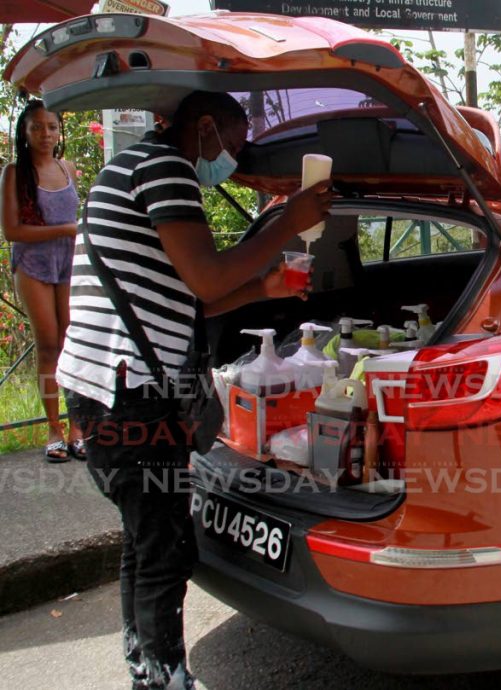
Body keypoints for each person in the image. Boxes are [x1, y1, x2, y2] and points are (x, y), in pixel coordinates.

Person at [59, 91, 331, 690]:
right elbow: (206, 275)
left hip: (98, 384)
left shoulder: (129, 166)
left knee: (145, 537)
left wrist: (265, 288)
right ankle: (164, 676)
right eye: (231, 145)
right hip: (130, 389)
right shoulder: (165, 167)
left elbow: (195, 296)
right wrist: (289, 217)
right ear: (204, 126)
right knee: (165, 548)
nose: (231, 159)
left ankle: (145, 668)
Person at [0, 100, 86, 461]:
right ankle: (53, 429)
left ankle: (78, 427)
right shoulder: (14, 173)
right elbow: (12, 230)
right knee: (48, 344)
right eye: (37, 127)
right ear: (25, 131)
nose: (45, 134)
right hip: (33, 265)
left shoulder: (67, 168)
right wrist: (67, 229)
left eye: (51, 126)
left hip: (68, 263)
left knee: (72, 342)